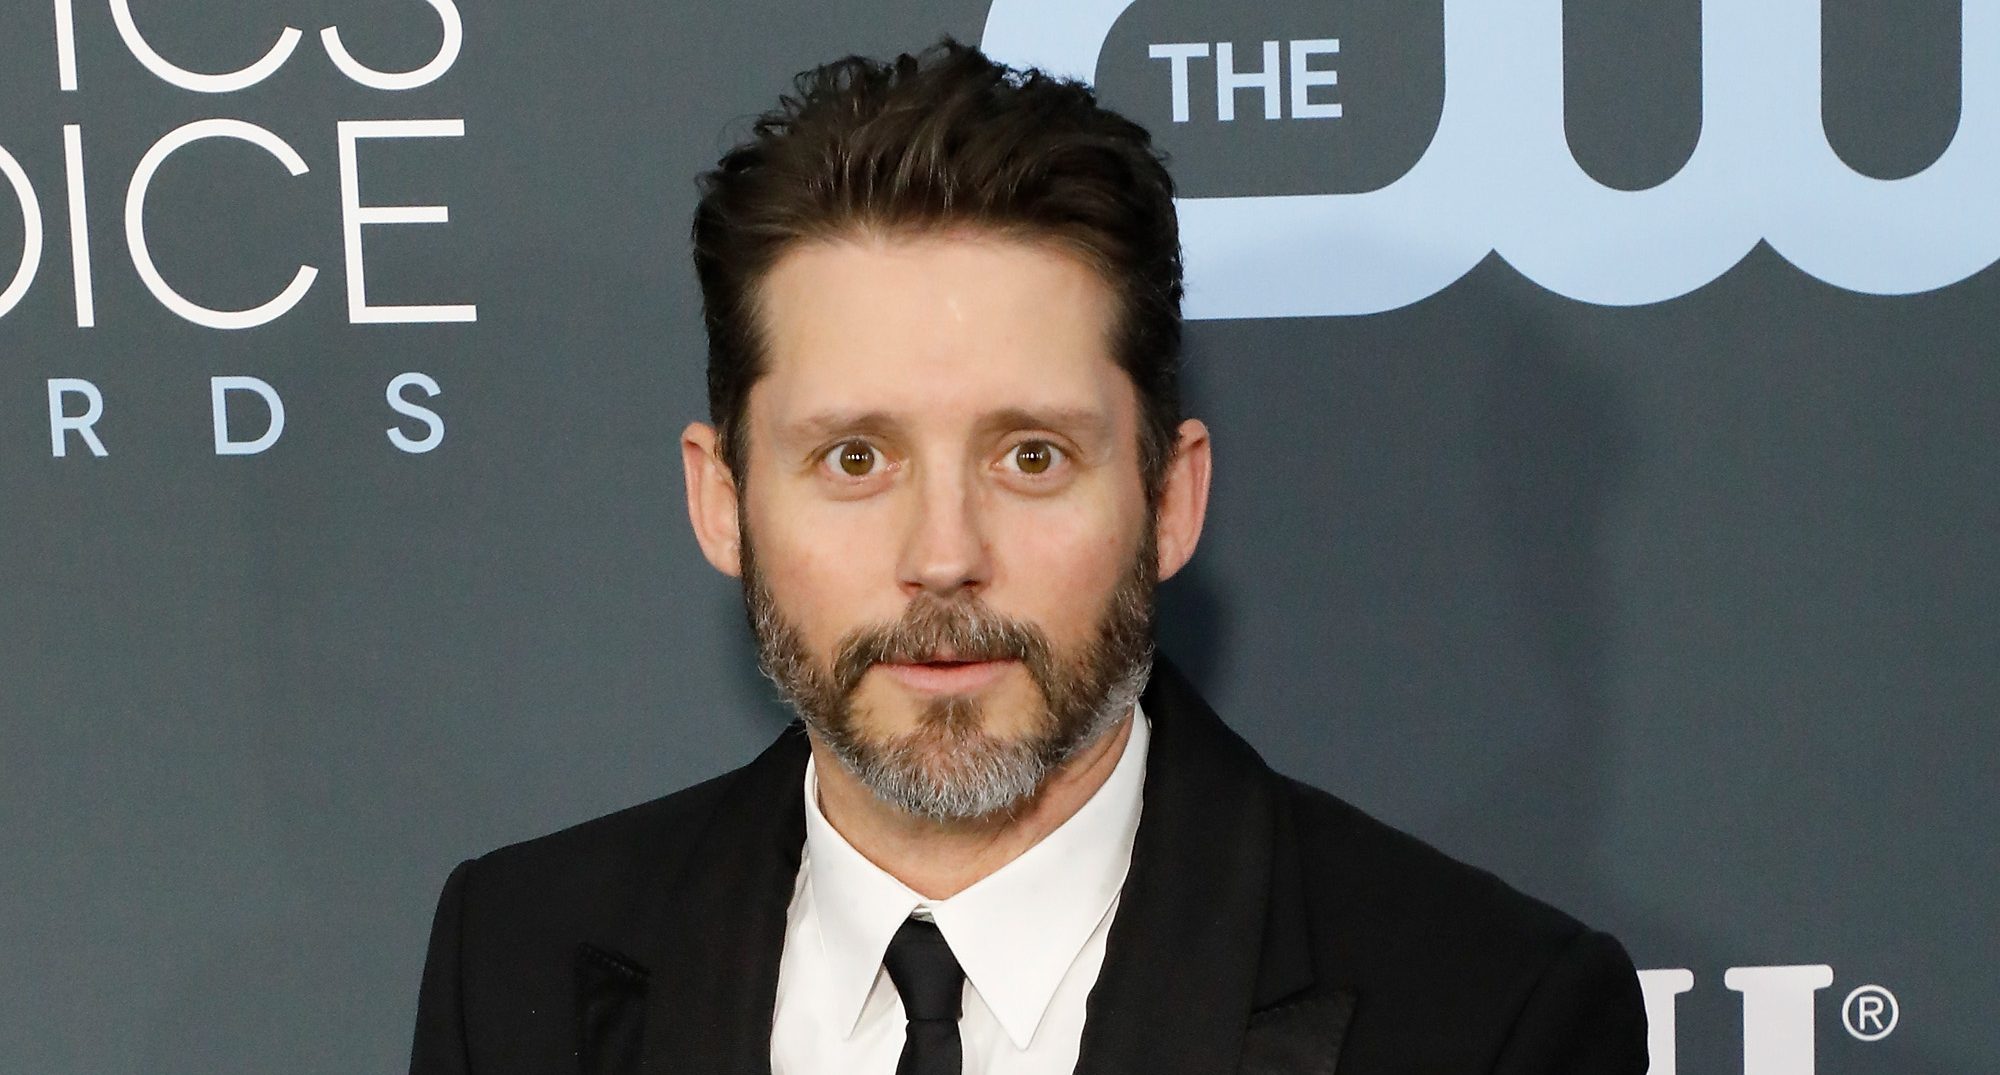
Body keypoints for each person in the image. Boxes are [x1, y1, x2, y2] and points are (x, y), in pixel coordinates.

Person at [406, 40, 1649, 1075]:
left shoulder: (1486, 1017)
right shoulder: (513, 965)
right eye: (854, 458)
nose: (944, 556)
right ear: (720, 501)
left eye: (1031, 457)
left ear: (1169, 497)